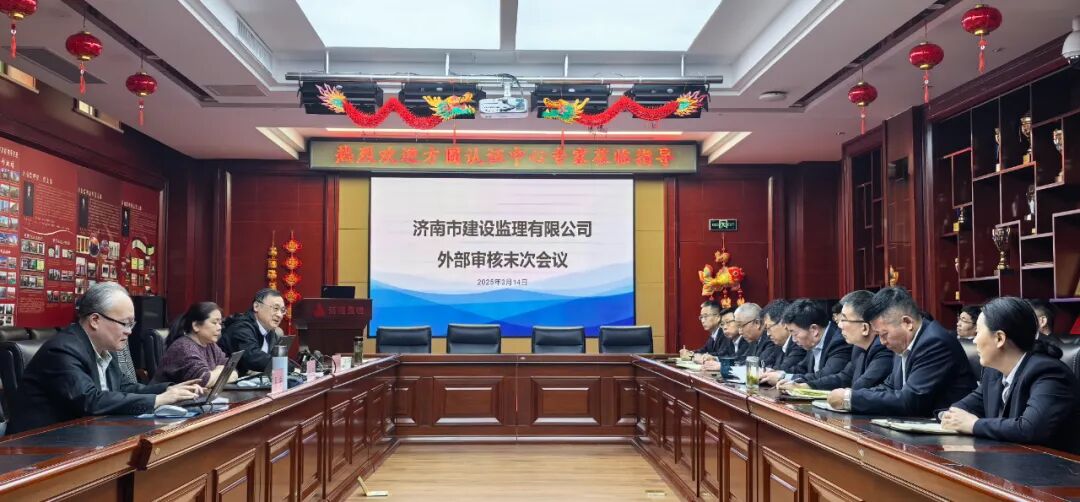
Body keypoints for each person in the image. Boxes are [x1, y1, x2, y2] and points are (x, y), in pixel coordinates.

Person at [8, 283, 204, 434]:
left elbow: (124, 388)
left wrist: (168, 390)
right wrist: (157, 400)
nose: (129, 332)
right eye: (124, 323)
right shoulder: (63, 350)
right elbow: (89, 401)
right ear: (95, 320)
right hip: (39, 448)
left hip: (85, 436)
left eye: (131, 324)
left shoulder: (105, 348)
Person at [940, 297, 1080, 454]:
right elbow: (964, 407)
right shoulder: (993, 371)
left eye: (978, 333)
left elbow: (1030, 428)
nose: (974, 341)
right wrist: (951, 417)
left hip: (1052, 465)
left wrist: (973, 424)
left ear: (1000, 338)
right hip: (1008, 460)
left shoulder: (1049, 372)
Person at [827, 287, 976, 416]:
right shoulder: (903, 343)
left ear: (907, 323)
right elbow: (889, 387)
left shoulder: (934, 343)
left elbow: (910, 401)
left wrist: (850, 399)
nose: (882, 342)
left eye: (884, 334)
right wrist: (853, 394)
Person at [794, 290, 893, 391]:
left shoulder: (883, 348)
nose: (840, 325)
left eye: (844, 320)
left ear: (865, 328)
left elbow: (862, 386)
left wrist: (845, 395)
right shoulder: (858, 348)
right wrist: (808, 386)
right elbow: (844, 377)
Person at [761, 299, 851, 387]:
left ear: (814, 330)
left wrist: (783, 378)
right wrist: (779, 373)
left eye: (795, 334)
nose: (793, 340)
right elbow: (801, 369)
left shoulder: (839, 342)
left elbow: (824, 376)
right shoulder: (812, 341)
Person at [153, 302, 238, 386]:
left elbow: (233, 370)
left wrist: (217, 374)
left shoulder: (210, 345)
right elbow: (204, 381)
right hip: (163, 394)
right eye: (214, 323)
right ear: (196, 326)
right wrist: (220, 370)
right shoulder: (184, 348)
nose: (219, 328)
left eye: (220, 323)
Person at [218, 288, 285, 375]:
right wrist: (285, 366)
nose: (280, 315)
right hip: (230, 381)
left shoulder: (269, 330)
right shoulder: (241, 328)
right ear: (256, 306)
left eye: (282, 310)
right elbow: (253, 358)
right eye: (275, 308)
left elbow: (270, 359)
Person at [761, 299, 806, 372]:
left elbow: (783, 369)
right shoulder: (779, 344)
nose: (768, 334)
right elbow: (766, 362)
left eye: (769, 328)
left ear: (784, 323)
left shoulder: (798, 343)